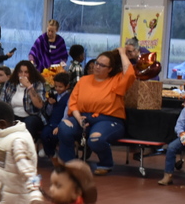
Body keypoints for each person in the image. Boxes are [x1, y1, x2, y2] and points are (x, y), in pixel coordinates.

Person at [57, 47, 135, 175]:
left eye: (102, 65)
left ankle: (106, 163)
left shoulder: (116, 80)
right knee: (64, 127)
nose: (97, 67)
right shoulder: (83, 80)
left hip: (108, 120)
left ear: (110, 69)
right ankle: (69, 164)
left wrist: (122, 53)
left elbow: (129, 73)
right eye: (96, 63)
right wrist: (78, 118)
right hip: (82, 117)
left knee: (95, 139)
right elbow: (73, 103)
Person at [0, 60, 46, 142]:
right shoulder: (9, 84)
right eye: (20, 72)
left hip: (31, 115)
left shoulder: (38, 84)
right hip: (13, 114)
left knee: (28, 124)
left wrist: (29, 87)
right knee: (3, 122)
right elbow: (2, 103)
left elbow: (39, 105)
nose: (23, 75)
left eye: (26, 72)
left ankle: (23, 147)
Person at [41, 71, 71, 158]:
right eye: (56, 86)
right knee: (44, 135)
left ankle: (53, 151)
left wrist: (60, 125)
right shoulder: (54, 96)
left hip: (61, 123)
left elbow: (67, 113)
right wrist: (50, 104)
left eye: (60, 87)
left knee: (55, 136)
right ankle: (50, 152)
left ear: (67, 86)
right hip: (51, 122)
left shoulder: (69, 98)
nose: (57, 89)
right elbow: (48, 112)